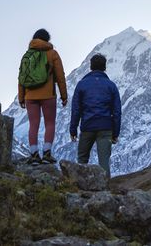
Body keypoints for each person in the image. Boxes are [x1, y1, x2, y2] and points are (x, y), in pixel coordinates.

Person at [18, 28, 67, 164]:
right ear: (47, 40)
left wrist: (21, 97)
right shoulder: (52, 54)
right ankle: (46, 154)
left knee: (33, 124)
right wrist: (64, 96)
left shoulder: (27, 55)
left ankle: (34, 155)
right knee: (49, 123)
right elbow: (60, 76)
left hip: (30, 96)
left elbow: (21, 77)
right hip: (48, 95)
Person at [69, 53, 121, 179]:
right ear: (104, 68)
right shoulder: (111, 86)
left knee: (82, 159)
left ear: (91, 67)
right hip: (105, 128)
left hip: (87, 126)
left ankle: (79, 187)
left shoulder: (81, 84)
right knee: (104, 162)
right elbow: (117, 112)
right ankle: (106, 190)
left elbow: (76, 109)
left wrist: (73, 129)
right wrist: (115, 133)